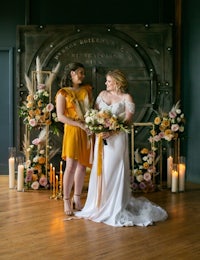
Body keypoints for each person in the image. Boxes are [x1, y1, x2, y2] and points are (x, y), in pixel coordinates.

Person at [75, 69, 168, 227]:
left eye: (109, 81)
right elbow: (95, 115)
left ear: (117, 82)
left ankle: (113, 205)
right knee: (101, 170)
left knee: (113, 169)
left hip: (117, 139)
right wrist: (98, 128)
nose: (106, 84)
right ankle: (98, 204)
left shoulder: (126, 98)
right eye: (107, 81)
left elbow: (128, 121)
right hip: (101, 138)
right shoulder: (102, 95)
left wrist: (111, 131)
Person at [56, 62, 93, 216]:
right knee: (70, 166)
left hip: (86, 130)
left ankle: (77, 199)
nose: (82, 76)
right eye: (80, 73)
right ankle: (66, 199)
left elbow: (92, 109)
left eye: (83, 73)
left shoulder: (87, 90)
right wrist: (78, 124)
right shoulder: (62, 93)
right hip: (72, 130)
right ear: (71, 73)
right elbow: (60, 116)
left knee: (83, 166)